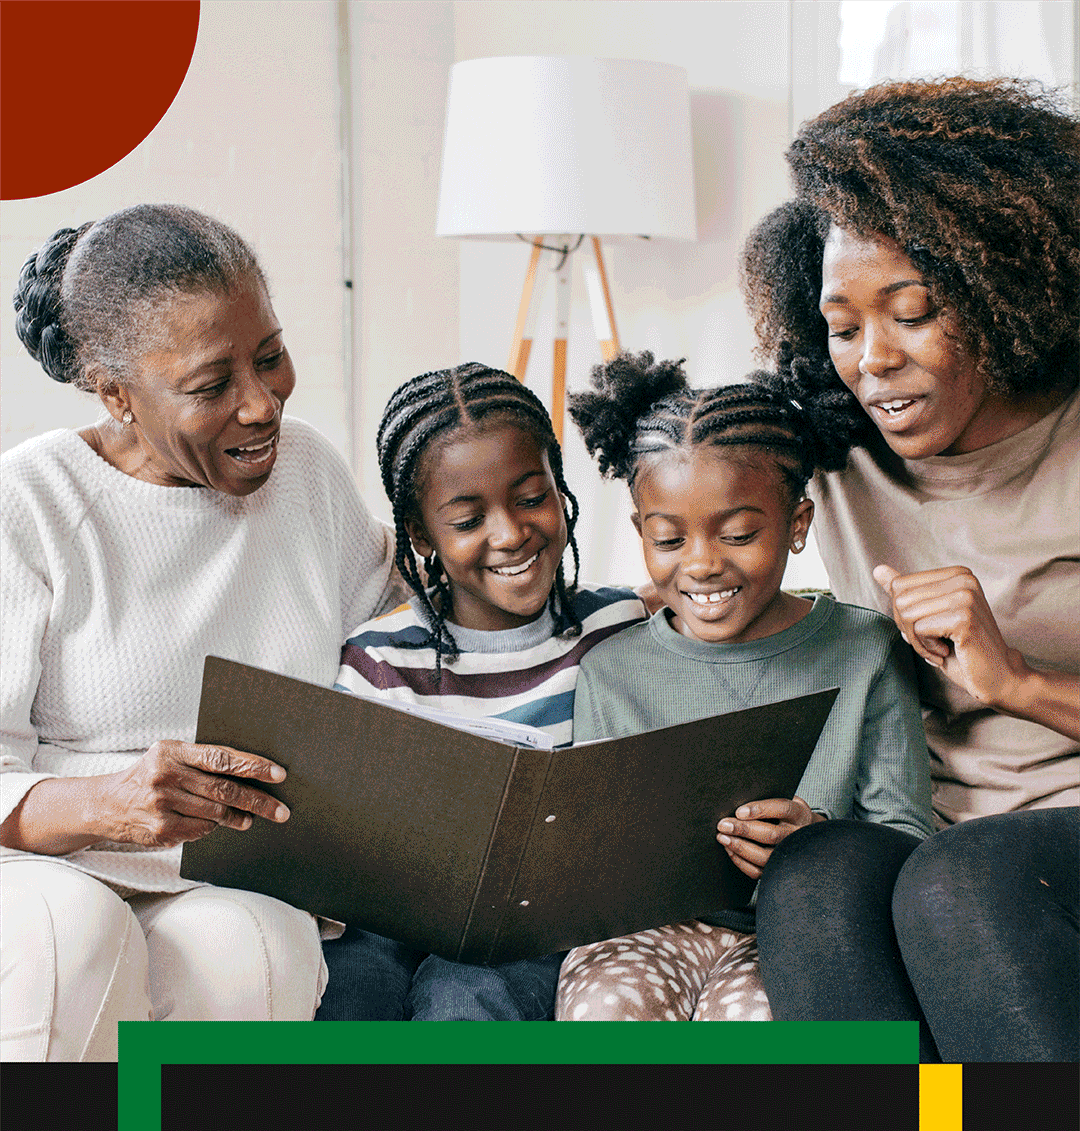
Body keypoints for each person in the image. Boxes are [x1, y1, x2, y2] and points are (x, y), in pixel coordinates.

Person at [1, 204, 401, 1061]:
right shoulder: (29, 503)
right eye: (212, 385)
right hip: (42, 862)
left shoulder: (308, 477)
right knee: (75, 934)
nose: (262, 406)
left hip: (216, 870)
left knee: (261, 947)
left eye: (270, 358)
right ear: (116, 394)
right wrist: (107, 805)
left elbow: (404, 644)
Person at [740, 77, 1079, 1061]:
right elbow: (688, 510)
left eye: (913, 310)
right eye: (844, 326)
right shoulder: (828, 453)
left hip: (1042, 843)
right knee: (812, 873)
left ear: (1005, 291)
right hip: (926, 823)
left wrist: (1012, 680)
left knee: (964, 879)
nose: (873, 360)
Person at [553, 352, 932, 1023]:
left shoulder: (864, 650)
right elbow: (597, 855)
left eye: (738, 534)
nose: (701, 563)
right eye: (668, 539)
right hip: (647, 931)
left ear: (797, 526)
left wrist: (814, 841)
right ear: (641, 532)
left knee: (756, 1026)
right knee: (605, 1010)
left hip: (794, 935)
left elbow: (904, 834)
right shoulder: (611, 669)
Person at [315, 363, 645, 1021]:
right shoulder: (381, 658)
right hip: (396, 913)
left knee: (465, 998)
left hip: (533, 922)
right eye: (467, 519)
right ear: (421, 536)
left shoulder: (622, 629)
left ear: (559, 487)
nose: (510, 533)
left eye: (530, 497)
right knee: (348, 986)